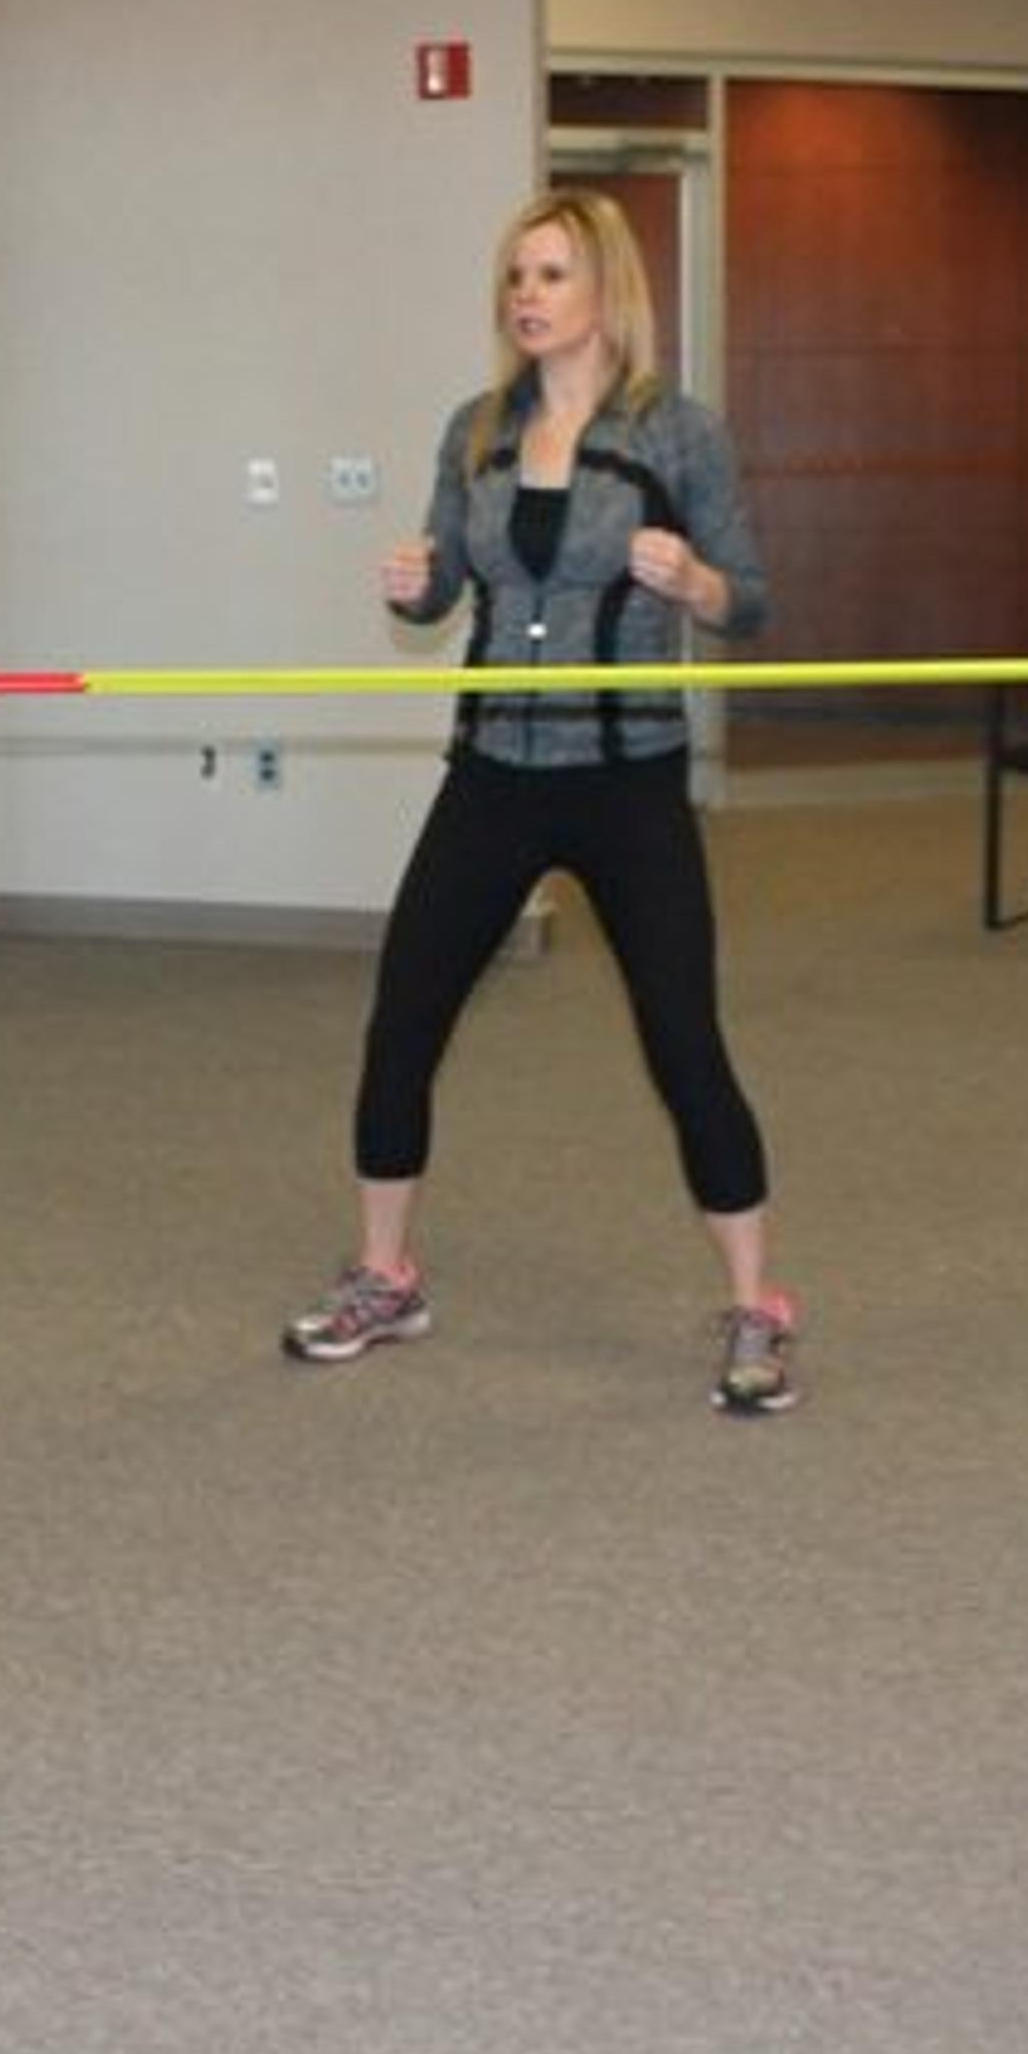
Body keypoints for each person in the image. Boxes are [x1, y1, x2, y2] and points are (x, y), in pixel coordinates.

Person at [282, 187, 800, 1416]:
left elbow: (755, 600)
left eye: (552, 274)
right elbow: (439, 592)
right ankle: (384, 1273)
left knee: (684, 1042)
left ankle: (758, 1308)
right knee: (402, 1017)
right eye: (516, 275)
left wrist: (697, 579)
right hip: (494, 774)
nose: (526, 295)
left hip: (626, 779)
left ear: (605, 291)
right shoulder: (475, 430)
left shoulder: (680, 434)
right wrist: (414, 585)